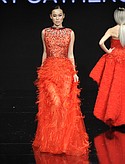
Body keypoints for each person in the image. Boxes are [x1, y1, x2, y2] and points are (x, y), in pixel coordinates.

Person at [32, 5, 89, 156]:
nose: (57, 18)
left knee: (64, 104)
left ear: (64, 16)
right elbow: (45, 52)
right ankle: (52, 140)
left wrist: (74, 72)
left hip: (65, 71)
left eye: (59, 15)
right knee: (55, 103)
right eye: (54, 16)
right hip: (49, 71)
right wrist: (41, 70)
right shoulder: (45, 32)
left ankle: (63, 142)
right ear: (50, 17)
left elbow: (71, 54)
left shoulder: (70, 32)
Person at [90, 7, 125, 127]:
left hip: (114, 59)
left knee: (112, 87)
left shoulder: (112, 30)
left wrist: (109, 52)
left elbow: (100, 42)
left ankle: (111, 113)